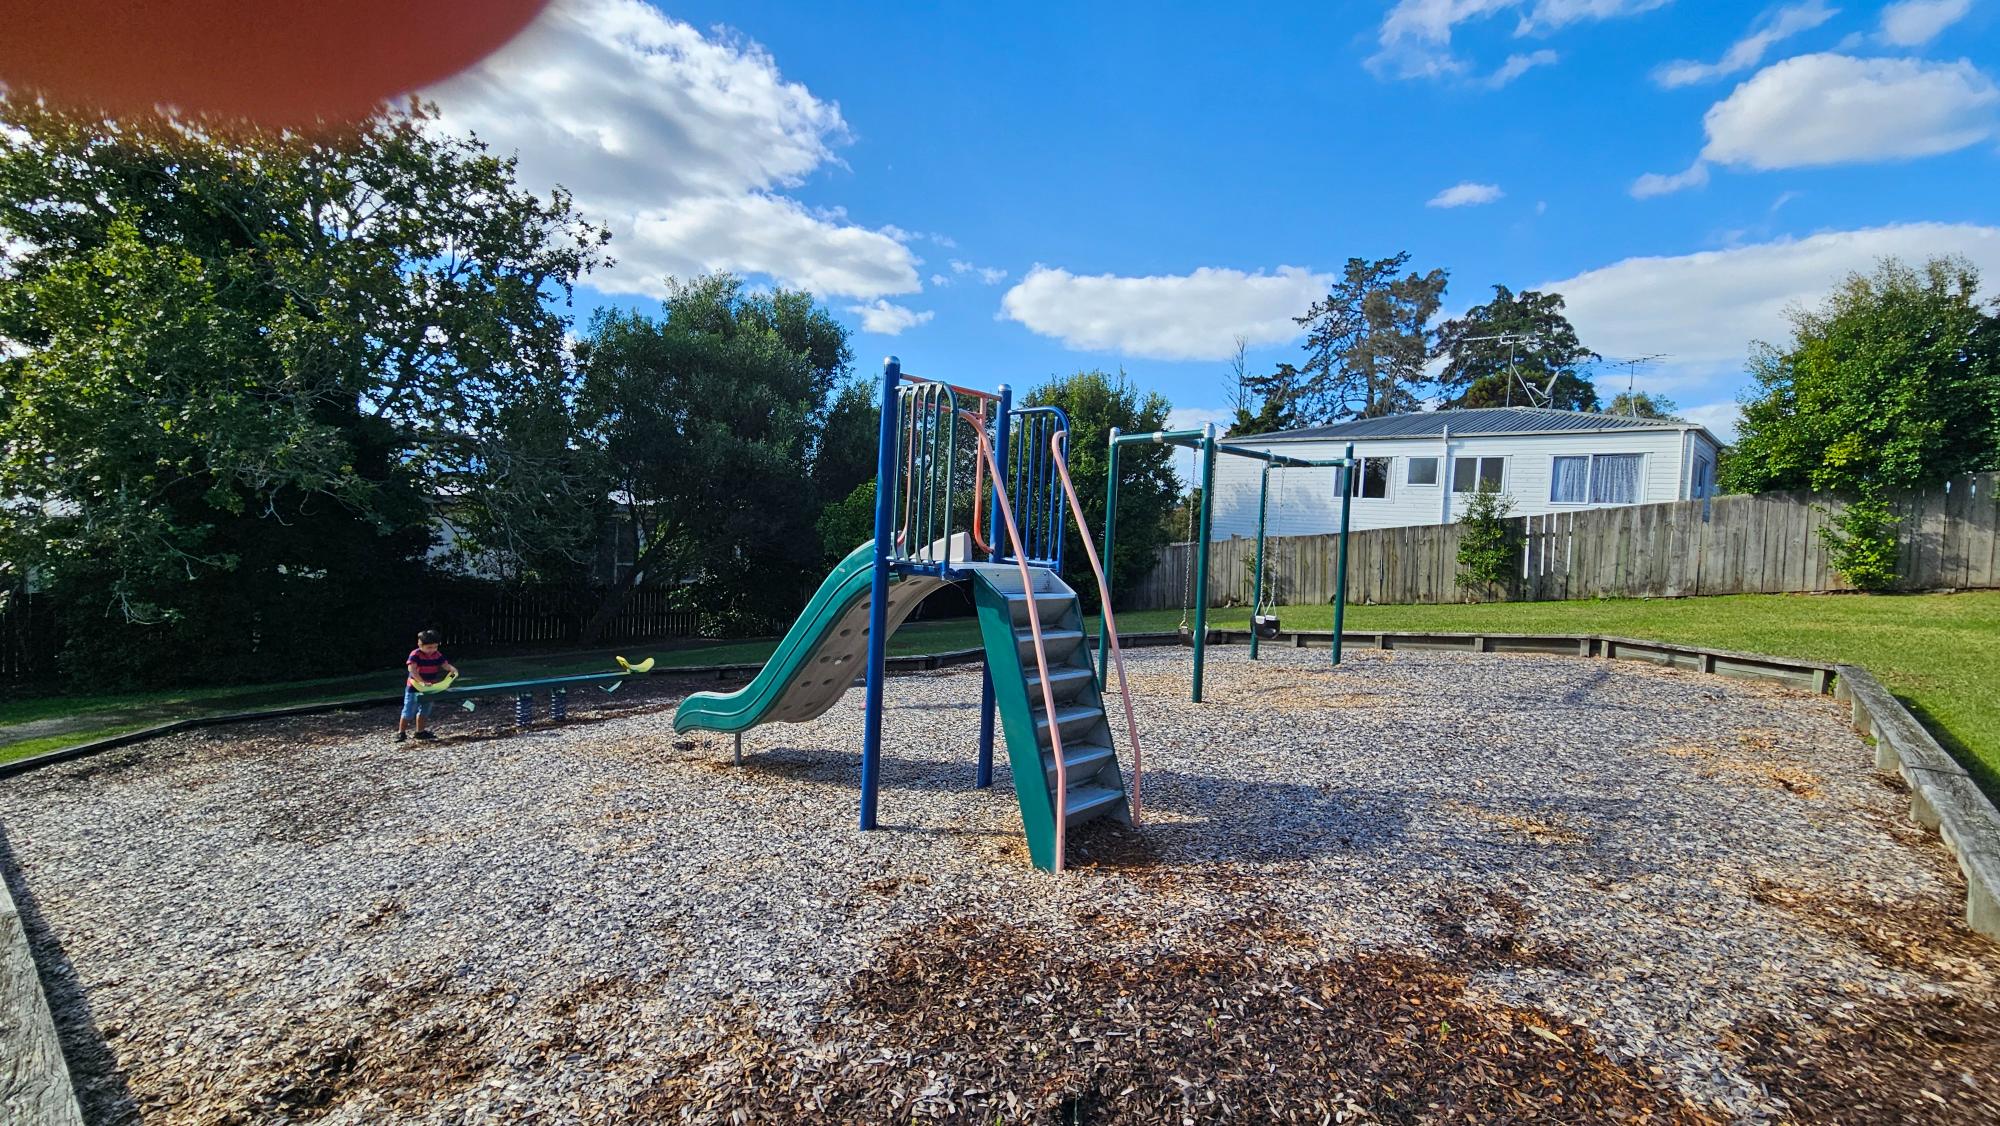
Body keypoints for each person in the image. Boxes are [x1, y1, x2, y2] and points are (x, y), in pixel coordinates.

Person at [396, 629, 458, 742]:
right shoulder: (415, 654)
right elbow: (412, 670)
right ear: (420, 645)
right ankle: (401, 732)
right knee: (409, 710)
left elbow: (444, 664)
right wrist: (421, 681)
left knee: (425, 709)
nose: (432, 650)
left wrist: (452, 669)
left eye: (435, 647)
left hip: (430, 687)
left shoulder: (437, 654)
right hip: (414, 687)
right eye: (429, 647)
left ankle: (420, 732)